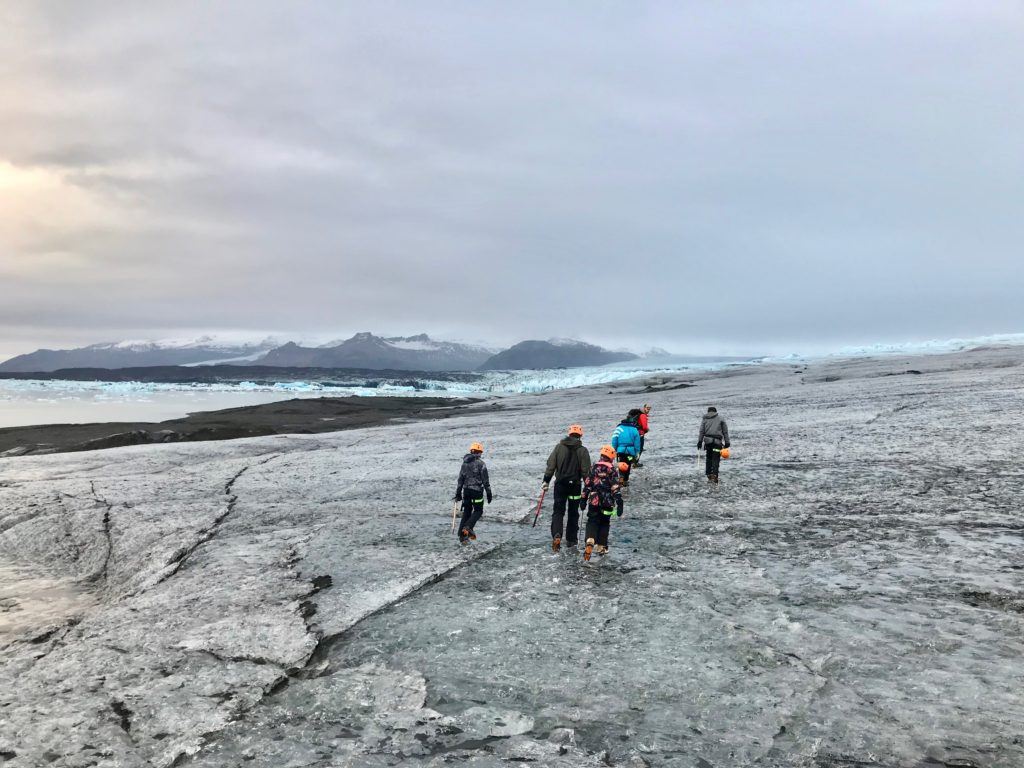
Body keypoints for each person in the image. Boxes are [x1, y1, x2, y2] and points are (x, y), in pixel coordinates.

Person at [542, 424, 592, 552]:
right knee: (573, 513)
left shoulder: (559, 447)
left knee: (558, 511)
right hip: (575, 486)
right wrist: (589, 487)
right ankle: (571, 540)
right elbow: (586, 472)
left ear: (569, 434)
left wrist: (546, 481)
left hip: (560, 485)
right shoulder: (583, 450)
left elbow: (551, 465)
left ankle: (557, 535)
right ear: (580, 435)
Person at [582, 445, 625, 561]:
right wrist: (619, 502)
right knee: (605, 522)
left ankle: (590, 540)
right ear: (612, 457)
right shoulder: (612, 470)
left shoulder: (594, 467)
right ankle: (601, 546)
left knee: (592, 520)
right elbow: (615, 487)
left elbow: (587, 484)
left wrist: (583, 499)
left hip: (594, 500)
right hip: (608, 502)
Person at [454, 442, 492, 542]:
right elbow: (485, 481)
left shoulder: (464, 463)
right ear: (479, 452)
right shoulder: (481, 464)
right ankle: (468, 527)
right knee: (478, 511)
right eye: (481, 452)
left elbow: (460, 479)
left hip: (466, 491)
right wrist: (489, 493)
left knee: (467, 511)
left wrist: (458, 493)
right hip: (476, 492)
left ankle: (462, 536)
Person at [698, 407, 730, 484]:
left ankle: (709, 474)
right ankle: (715, 475)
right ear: (716, 412)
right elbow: (725, 431)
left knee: (709, 458)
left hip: (708, 443)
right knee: (716, 458)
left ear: (708, 412)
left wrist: (700, 441)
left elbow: (701, 431)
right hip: (717, 443)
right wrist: (727, 442)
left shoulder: (704, 419)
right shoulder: (721, 419)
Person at [611, 410, 642, 486]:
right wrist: (637, 452)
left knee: (621, 464)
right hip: (630, 453)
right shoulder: (634, 430)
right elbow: (637, 443)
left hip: (621, 452)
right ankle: (625, 480)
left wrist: (614, 450)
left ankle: (621, 478)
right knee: (628, 465)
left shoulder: (618, 428)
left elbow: (614, 440)